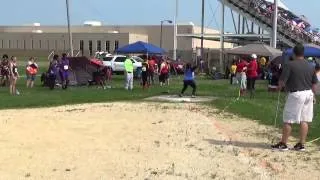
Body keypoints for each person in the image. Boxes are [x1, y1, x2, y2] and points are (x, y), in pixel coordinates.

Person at [272, 44, 318, 151]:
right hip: (308, 94)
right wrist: (314, 95)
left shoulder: (290, 64)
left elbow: (282, 81)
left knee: (288, 119)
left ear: (294, 53)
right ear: (303, 53)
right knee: (304, 120)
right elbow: (314, 83)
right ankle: (301, 144)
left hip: (296, 94)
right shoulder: (310, 66)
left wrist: (278, 88)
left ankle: (283, 143)